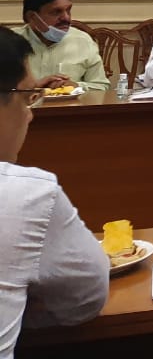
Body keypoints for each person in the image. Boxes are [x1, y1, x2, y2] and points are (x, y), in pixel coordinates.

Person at [0, 27, 109, 357]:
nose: (30, 114)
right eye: (27, 98)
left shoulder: (82, 41)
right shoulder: (27, 194)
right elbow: (85, 299)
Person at [17, 0, 108, 92]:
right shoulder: (9, 42)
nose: (66, 18)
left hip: (71, 103)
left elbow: (101, 87)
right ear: (32, 17)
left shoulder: (83, 40)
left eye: (68, 10)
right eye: (56, 12)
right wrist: (32, 87)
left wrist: (76, 86)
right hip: (22, 102)